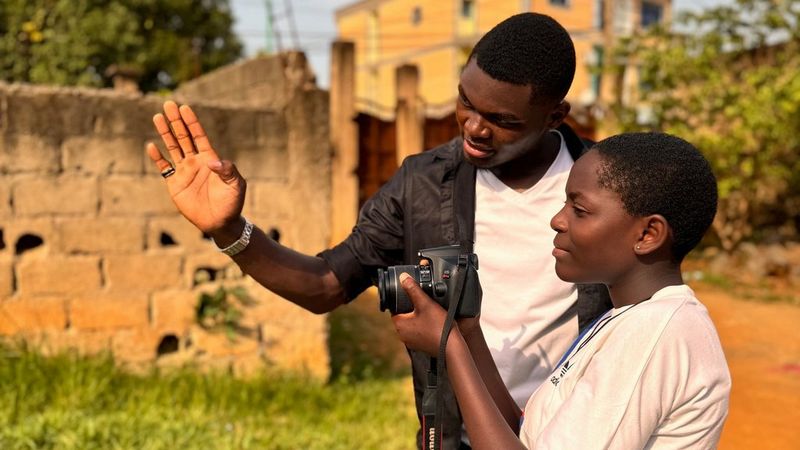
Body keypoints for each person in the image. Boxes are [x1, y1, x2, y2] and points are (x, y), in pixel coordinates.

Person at [146, 13, 611, 449]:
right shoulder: (423, 183)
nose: (474, 128)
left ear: (555, 116)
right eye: (466, 102)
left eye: (501, 121)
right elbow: (326, 284)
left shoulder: (612, 190)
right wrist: (230, 230)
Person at [392, 132, 732, 449]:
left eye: (579, 210)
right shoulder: (628, 319)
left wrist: (449, 347)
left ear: (648, 235)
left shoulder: (655, 333)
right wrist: (467, 334)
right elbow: (524, 436)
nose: (558, 220)